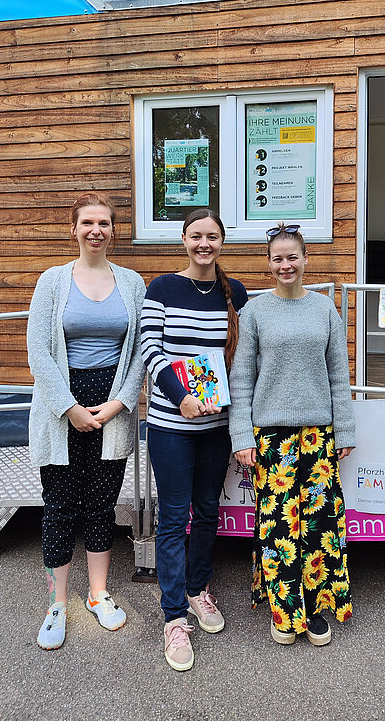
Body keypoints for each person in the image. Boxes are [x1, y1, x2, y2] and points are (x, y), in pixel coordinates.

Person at [27, 192, 146, 650]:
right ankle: (57, 602)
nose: (96, 230)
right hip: (63, 409)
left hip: (111, 408)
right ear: (73, 228)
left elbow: (138, 351)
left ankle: (97, 594)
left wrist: (119, 403)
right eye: (88, 222)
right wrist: (68, 407)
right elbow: (39, 349)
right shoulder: (52, 281)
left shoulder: (132, 283)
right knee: (59, 505)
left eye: (105, 223)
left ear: (114, 231)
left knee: (100, 504)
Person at [229, 223, 356, 647]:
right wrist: (241, 435)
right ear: (268, 264)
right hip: (271, 437)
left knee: (319, 526)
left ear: (305, 259)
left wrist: (345, 431)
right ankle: (285, 612)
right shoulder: (255, 314)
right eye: (277, 258)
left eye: (292, 256)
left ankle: (316, 608)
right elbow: (242, 377)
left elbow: (339, 375)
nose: (286, 264)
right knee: (278, 528)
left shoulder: (325, 311)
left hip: (318, 434)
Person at [141, 209, 248, 672]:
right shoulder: (162, 288)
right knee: (172, 518)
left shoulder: (235, 293)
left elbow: (243, 355)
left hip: (216, 429)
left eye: (212, 236)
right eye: (195, 235)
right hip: (170, 425)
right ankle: (172, 618)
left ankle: (198, 589)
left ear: (221, 242)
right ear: (184, 240)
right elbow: (150, 349)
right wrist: (181, 397)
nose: (204, 243)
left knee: (207, 513)